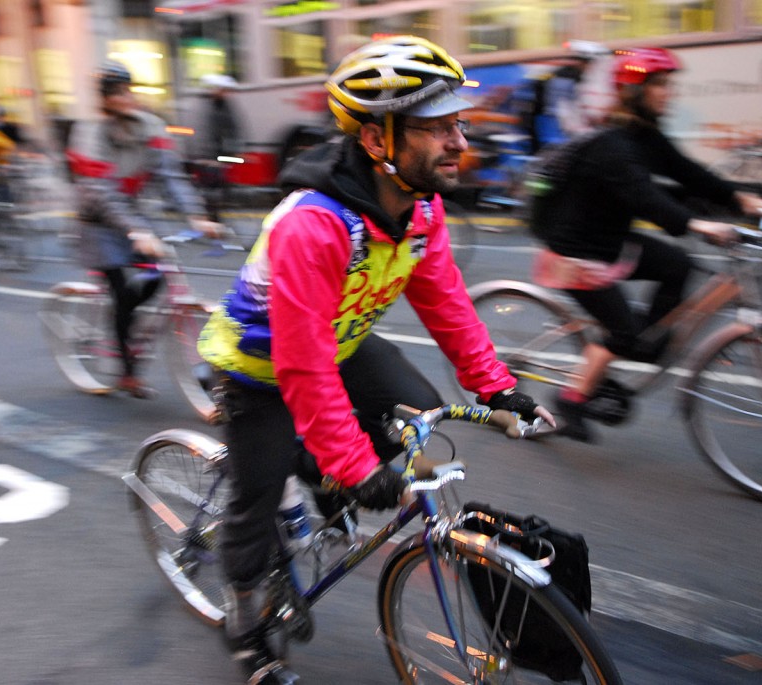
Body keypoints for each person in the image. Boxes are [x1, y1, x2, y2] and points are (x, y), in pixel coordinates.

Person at [196, 36, 554, 685]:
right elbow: (301, 368)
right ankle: (246, 621)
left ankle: (319, 466)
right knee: (256, 501)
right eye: (435, 127)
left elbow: (446, 302)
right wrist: (352, 464)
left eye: (458, 122)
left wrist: (497, 388)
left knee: (418, 419)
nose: (458, 141)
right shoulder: (314, 225)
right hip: (261, 366)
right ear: (375, 141)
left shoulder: (421, 209)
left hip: (340, 343)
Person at [530, 47, 762, 442]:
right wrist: (698, 225)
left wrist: (740, 198)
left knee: (679, 265)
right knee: (630, 338)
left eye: (669, 85)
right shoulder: (613, 146)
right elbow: (644, 198)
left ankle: (643, 339)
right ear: (635, 91)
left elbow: (690, 173)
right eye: (659, 85)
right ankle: (572, 398)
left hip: (610, 241)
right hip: (577, 253)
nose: (668, 93)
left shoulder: (645, 137)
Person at [68, 60, 222, 398]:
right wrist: (136, 230)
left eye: (126, 89)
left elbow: (171, 177)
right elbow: (101, 194)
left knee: (157, 279)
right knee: (123, 293)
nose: (125, 97)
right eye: (115, 92)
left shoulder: (151, 126)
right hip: (99, 224)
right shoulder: (90, 133)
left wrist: (196, 216)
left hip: (134, 219)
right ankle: (126, 371)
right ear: (104, 99)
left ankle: (132, 333)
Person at [193, 74, 244, 222]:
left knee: (221, 187)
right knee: (210, 188)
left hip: (220, 155)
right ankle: (210, 219)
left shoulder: (225, 105)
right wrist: (206, 157)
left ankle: (214, 217)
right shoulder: (204, 106)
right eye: (223, 90)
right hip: (208, 157)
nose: (225, 93)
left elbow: (234, 128)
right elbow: (202, 131)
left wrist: (235, 150)